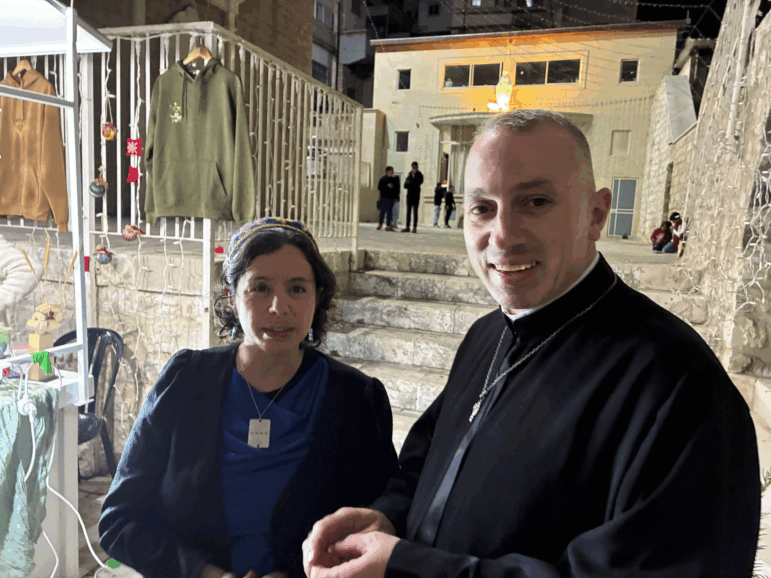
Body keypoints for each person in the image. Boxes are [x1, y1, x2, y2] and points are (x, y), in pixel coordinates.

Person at [302, 110, 760, 578]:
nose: (502, 235)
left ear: (596, 214)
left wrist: (408, 567)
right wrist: (390, 516)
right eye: (482, 208)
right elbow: (427, 464)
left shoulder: (678, 386)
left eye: (535, 202)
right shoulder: (487, 333)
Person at [99, 217, 398, 578]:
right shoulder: (186, 381)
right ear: (231, 295)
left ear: (318, 296)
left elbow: (383, 517)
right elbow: (119, 519)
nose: (279, 307)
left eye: (298, 289)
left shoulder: (355, 398)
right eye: (260, 287)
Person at [402, 162, 424, 233]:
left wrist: (413, 177)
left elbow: (418, 183)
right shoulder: (409, 175)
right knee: (408, 211)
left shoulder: (420, 175)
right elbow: (405, 186)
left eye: (415, 167)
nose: (414, 168)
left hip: (416, 195)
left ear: (417, 167)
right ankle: (407, 227)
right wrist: (407, 182)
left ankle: (414, 227)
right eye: (412, 167)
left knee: (415, 211)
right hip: (409, 196)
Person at [376, 166, 399, 231]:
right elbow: (379, 188)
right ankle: (380, 224)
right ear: (388, 172)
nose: (392, 172)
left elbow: (396, 189)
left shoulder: (394, 180)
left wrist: (395, 196)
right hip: (383, 198)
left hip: (391, 199)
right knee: (382, 212)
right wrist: (386, 186)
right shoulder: (383, 179)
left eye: (392, 171)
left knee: (389, 212)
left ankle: (388, 225)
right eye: (391, 171)